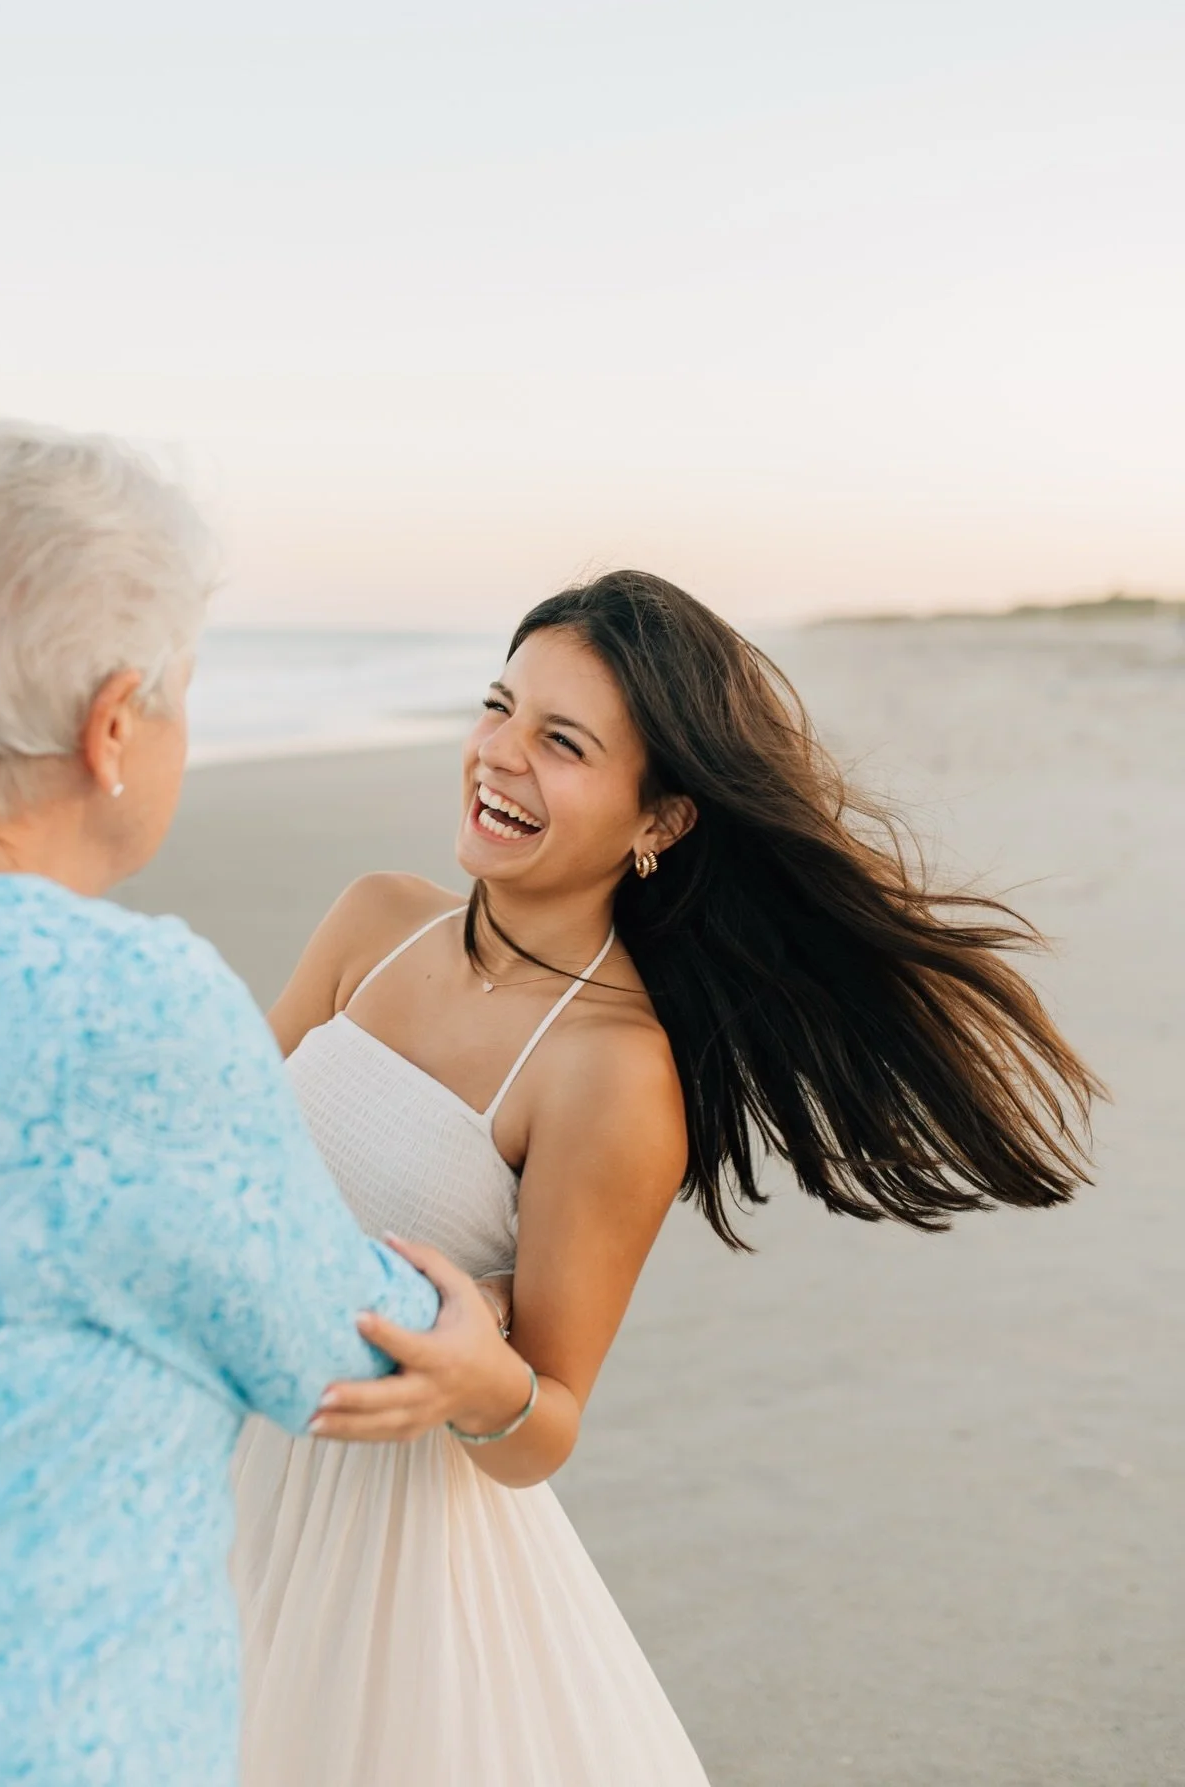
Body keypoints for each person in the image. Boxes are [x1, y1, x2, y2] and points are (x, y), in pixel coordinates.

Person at [0, 362, 510, 1786]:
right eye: (182, 696)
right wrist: (477, 1328)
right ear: (112, 725)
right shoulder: (120, 1008)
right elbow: (344, 1347)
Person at [232, 569, 1100, 1786]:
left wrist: (479, 1376)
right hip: (215, 1446)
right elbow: (220, 1162)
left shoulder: (611, 1070)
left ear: (661, 822)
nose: (500, 754)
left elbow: (543, 1423)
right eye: (500, 705)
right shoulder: (372, 921)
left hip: (372, 1540)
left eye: (564, 741)